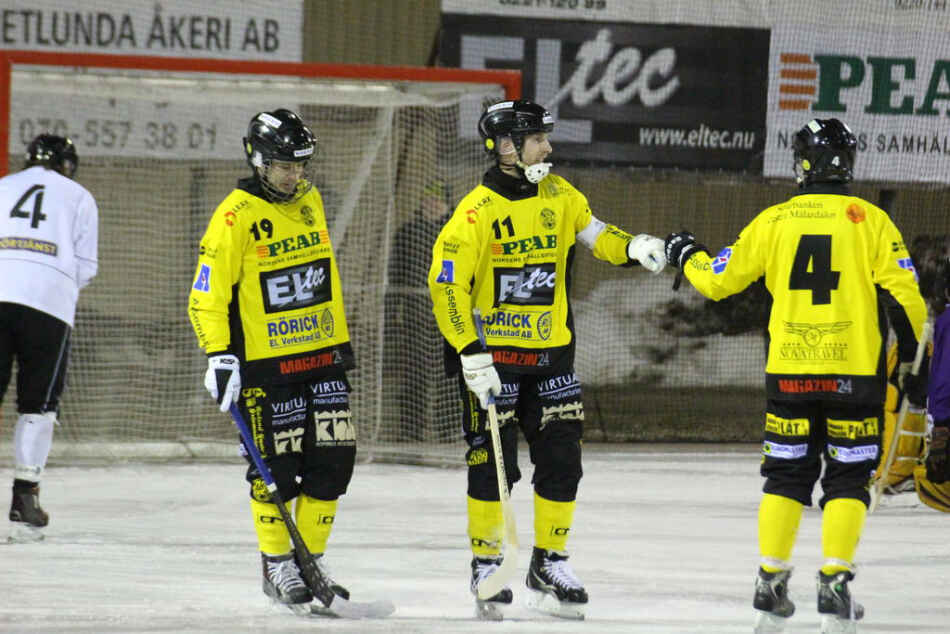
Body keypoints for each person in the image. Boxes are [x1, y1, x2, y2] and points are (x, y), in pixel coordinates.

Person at [663, 118, 927, 633]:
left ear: (802, 164)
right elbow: (907, 299)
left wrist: (687, 253)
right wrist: (914, 365)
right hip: (855, 376)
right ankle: (834, 583)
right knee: (849, 478)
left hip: (789, 374)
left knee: (785, 477)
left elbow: (718, 281)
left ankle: (770, 581)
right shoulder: (870, 220)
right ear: (847, 163)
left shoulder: (775, 220)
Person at [427, 99, 666, 620]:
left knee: (563, 460)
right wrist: (470, 352)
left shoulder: (560, 193)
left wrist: (633, 247)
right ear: (506, 146)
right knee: (492, 464)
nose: (548, 147)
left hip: (553, 358)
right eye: (537, 138)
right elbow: (446, 287)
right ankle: (486, 563)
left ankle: (549, 562)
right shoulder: (475, 212)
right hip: (495, 362)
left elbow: (597, 234)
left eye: (544, 137)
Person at [188, 109, 357, 613]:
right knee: (275, 472)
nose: (294, 175)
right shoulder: (234, 216)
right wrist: (219, 355)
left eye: (300, 165)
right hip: (268, 367)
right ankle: (278, 563)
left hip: (323, 356)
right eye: (284, 165)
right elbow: (206, 295)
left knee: (334, 463)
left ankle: (311, 560)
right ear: (258, 160)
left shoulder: (310, 199)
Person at [0, 135, 98, 543]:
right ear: (68, 165)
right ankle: (25, 498)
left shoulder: (3, 186)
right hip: (48, 303)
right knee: (38, 405)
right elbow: (86, 267)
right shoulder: (79, 196)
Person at [385, 180, 454, 440]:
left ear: (446, 203)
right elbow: (396, 275)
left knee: (449, 373)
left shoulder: (456, 232)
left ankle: (447, 428)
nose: (432, 204)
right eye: (428, 199)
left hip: (450, 313)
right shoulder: (408, 232)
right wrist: (393, 313)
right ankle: (410, 429)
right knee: (415, 371)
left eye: (437, 199)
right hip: (417, 314)